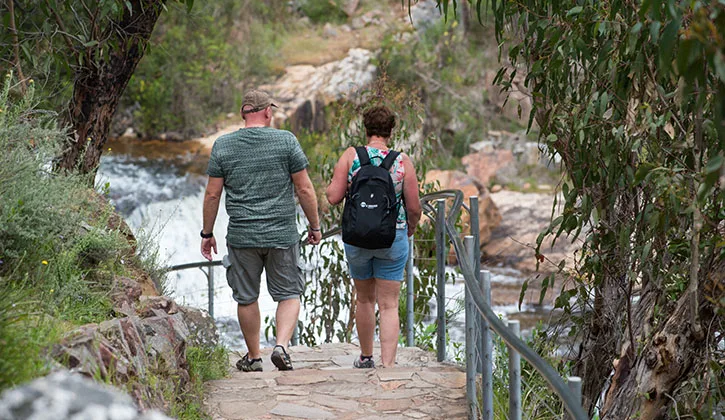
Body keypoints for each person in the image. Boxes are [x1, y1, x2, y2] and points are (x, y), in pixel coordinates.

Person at [201, 89, 321, 372]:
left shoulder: (223, 145)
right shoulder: (286, 141)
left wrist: (207, 234)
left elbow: (212, 195)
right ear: (267, 111)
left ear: (244, 113)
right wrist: (314, 225)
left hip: (243, 236)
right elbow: (304, 188)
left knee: (247, 297)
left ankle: (254, 357)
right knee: (289, 293)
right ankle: (280, 346)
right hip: (281, 234)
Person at [326, 105, 422, 368]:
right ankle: (388, 365)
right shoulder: (402, 161)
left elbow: (334, 197)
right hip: (392, 236)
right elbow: (414, 207)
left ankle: (366, 357)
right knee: (389, 304)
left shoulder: (351, 156)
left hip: (357, 237)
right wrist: (410, 227)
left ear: (365, 129)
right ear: (391, 131)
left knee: (364, 298)